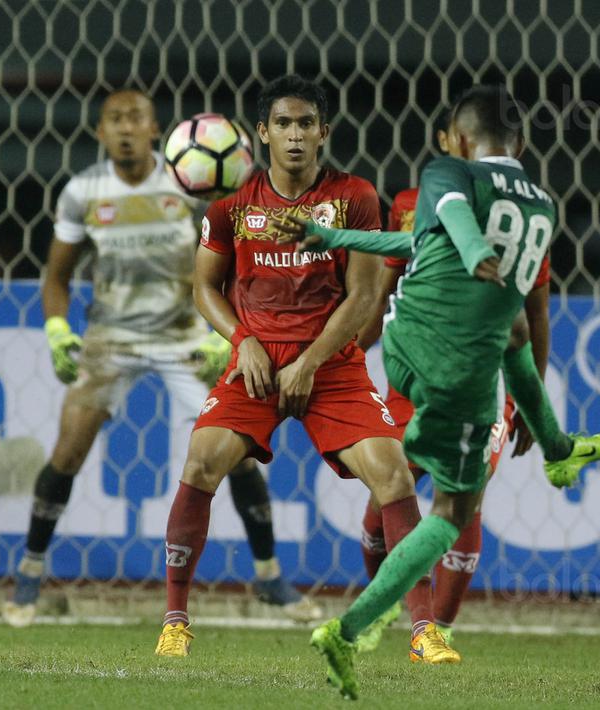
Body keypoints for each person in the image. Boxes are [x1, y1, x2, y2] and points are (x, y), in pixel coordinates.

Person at [298, 85, 600, 700]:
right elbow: (459, 228)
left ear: (460, 140)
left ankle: (429, 626)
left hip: (409, 351)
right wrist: (476, 254)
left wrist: (339, 240)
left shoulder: (448, 174)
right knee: (452, 509)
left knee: (510, 337)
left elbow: (429, 241)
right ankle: (360, 626)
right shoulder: (542, 208)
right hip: (456, 369)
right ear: (520, 144)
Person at [154, 76, 451, 663]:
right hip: (258, 364)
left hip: (332, 367)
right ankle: (174, 620)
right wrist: (242, 340)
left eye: (306, 124)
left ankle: (425, 631)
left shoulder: (354, 197)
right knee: (201, 460)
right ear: (262, 133)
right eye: (283, 124)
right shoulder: (231, 205)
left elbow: (364, 297)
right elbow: (204, 287)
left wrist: (312, 361)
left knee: (393, 475)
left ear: (324, 133)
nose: (295, 135)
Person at [1, 89, 318, 628]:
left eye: (136, 119)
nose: (126, 128)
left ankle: (268, 575)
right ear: (100, 133)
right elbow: (56, 277)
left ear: (156, 130)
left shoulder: (190, 183)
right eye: (114, 120)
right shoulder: (83, 191)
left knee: (237, 452)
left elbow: (234, 261)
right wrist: (58, 328)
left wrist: (230, 333)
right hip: (111, 337)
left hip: (188, 336)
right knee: (69, 449)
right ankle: (29, 574)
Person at [347, 113, 556, 654]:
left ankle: (433, 632)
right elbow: (384, 291)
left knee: (464, 500)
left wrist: (531, 404)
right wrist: (349, 356)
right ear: (448, 143)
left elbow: (536, 313)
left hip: (484, 378)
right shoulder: (411, 203)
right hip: (415, 373)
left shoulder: (523, 212)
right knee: (383, 506)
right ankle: (386, 602)